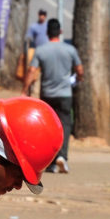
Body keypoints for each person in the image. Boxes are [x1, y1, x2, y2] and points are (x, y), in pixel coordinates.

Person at [24, 19, 82, 173]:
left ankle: (50, 161)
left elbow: (31, 71)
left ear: (47, 33)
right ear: (60, 32)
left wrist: (25, 90)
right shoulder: (70, 50)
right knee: (65, 126)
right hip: (65, 94)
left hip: (47, 95)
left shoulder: (41, 50)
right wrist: (78, 79)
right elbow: (80, 69)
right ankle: (62, 156)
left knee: (48, 129)